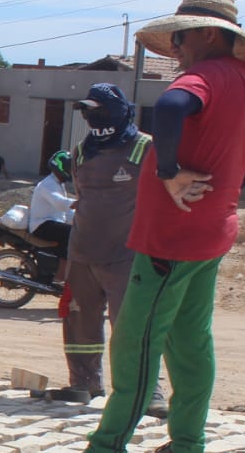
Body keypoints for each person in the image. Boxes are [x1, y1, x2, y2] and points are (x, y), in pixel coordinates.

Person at [37, 0, 245, 453]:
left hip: (170, 239)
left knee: (135, 345)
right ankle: (185, 451)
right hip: (211, 232)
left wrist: (169, 171)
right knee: (191, 344)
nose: (178, 51)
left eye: (183, 38)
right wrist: (223, 191)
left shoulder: (205, 75)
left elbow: (169, 107)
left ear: (209, 34)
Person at [51, 84, 166, 414]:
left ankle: (147, 391)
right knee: (78, 320)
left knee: (131, 325)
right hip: (83, 253)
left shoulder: (146, 148)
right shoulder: (83, 151)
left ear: (119, 112)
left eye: (100, 111)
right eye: (88, 111)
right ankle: (83, 382)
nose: (92, 117)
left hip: (127, 256)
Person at [27, 149, 76, 259]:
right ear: (60, 166)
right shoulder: (48, 184)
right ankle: (61, 269)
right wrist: (80, 203)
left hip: (52, 223)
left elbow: (65, 211)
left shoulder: (58, 184)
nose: (70, 171)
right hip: (41, 225)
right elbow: (61, 203)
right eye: (68, 167)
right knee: (72, 233)